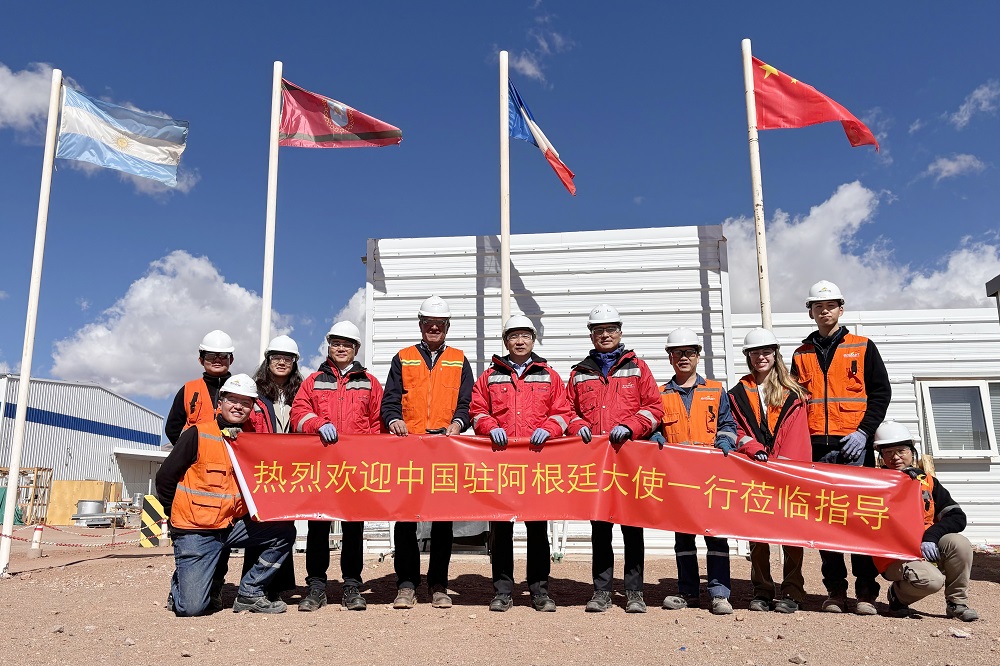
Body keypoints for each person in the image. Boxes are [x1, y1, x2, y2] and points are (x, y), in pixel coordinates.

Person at [156, 374, 295, 616]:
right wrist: (176, 518)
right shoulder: (197, 434)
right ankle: (181, 583)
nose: (239, 406)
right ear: (220, 403)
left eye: (246, 402)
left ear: (252, 408)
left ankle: (250, 593)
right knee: (192, 609)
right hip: (196, 529)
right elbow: (165, 478)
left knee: (283, 531)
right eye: (233, 400)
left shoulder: (251, 440)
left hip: (231, 526)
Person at [791, 280, 891, 615]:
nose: (824, 311)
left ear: (841, 309)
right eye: (818, 306)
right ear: (811, 312)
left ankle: (866, 593)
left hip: (854, 447)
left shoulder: (862, 347)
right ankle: (835, 591)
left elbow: (881, 393)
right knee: (827, 522)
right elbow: (794, 403)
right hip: (817, 450)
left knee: (859, 521)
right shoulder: (801, 354)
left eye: (830, 306)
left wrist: (864, 432)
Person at [470, 315, 574, 613]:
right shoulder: (490, 376)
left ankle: (540, 591)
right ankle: (502, 592)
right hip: (501, 463)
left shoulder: (549, 376)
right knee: (501, 530)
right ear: (506, 341)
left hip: (536, 463)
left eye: (525, 336)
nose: (519, 341)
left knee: (537, 528)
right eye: (514, 336)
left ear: (533, 339)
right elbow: (477, 410)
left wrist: (550, 429)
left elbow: (563, 411)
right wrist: (490, 426)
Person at [564, 304, 663, 613]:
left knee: (632, 528)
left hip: (629, 461)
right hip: (596, 464)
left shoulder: (638, 368)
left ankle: (634, 592)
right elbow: (567, 410)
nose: (604, 335)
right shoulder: (579, 373)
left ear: (620, 332)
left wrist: (631, 426)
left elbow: (654, 408)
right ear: (591, 335)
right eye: (598, 330)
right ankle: (601, 591)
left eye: (610, 329)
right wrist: (577, 425)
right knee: (600, 530)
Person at [380, 296, 474, 609]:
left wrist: (458, 423)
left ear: (447, 327)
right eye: (429, 323)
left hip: (444, 449)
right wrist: (394, 420)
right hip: (410, 448)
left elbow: (467, 403)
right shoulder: (403, 358)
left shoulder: (459, 360)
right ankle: (406, 584)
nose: (434, 328)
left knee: (442, 520)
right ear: (421, 325)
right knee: (405, 518)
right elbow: (390, 401)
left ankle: (438, 585)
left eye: (440, 324)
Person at [290, 321, 384, 612]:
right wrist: (318, 423)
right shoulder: (313, 381)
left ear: (356, 349)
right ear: (329, 346)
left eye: (347, 344)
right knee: (318, 526)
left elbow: (378, 423)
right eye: (336, 343)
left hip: (355, 469)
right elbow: (298, 414)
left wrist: (370, 458)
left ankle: (352, 586)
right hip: (322, 467)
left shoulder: (370, 383)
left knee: (354, 527)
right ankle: (316, 587)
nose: (341, 348)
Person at [653, 327, 738, 616]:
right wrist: (655, 437)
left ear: (698, 356)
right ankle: (688, 592)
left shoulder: (715, 390)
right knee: (684, 538)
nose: (684, 357)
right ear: (670, 357)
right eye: (677, 352)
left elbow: (728, 424)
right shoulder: (660, 395)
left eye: (689, 352)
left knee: (716, 536)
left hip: (711, 476)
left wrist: (725, 441)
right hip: (679, 479)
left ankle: (719, 594)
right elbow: (653, 428)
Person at [728, 328, 812, 614]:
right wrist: (752, 448)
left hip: (787, 472)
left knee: (792, 533)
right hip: (754, 469)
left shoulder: (795, 393)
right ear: (748, 356)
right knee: (757, 533)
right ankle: (762, 590)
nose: (761, 357)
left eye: (766, 352)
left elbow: (798, 435)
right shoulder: (737, 394)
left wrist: (783, 466)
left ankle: (792, 591)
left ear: (775, 354)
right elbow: (735, 429)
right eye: (755, 352)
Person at [871, 422, 979, 622]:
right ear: (881, 457)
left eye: (901, 451)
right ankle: (897, 597)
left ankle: (957, 603)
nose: (895, 457)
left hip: (925, 545)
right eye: (889, 452)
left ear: (912, 452)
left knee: (960, 544)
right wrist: (898, 482)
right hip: (895, 555)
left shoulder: (927, 481)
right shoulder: (874, 483)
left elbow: (957, 516)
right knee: (932, 580)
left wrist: (931, 536)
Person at [239, 334, 303, 602]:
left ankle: (278, 584)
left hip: (290, 469)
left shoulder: (301, 393)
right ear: (267, 360)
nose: (281, 362)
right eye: (276, 357)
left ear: (294, 362)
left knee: (285, 524)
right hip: (262, 468)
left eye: (287, 358)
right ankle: (256, 584)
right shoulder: (254, 392)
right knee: (260, 523)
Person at [164, 330, 235, 445]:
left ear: (231, 360)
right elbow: (172, 429)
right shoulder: (188, 389)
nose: (217, 360)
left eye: (223, 355)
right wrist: (188, 450)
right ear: (201, 360)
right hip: (196, 456)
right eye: (210, 356)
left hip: (229, 455)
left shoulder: (240, 390)